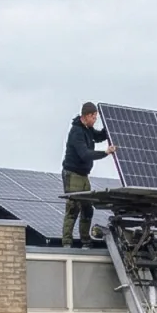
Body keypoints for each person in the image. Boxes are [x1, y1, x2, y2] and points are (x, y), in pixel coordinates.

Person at [61, 102, 117, 248]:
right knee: (73, 207)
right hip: (73, 173)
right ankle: (67, 242)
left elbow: (99, 136)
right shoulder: (76, 132)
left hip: (84, 174)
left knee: (87, 208)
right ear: (86, 116)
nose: (95, 120)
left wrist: (112, 125)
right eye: (94, 117)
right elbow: (85, 154)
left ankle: (85, 240)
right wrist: (105, 153)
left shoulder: (88, 129)